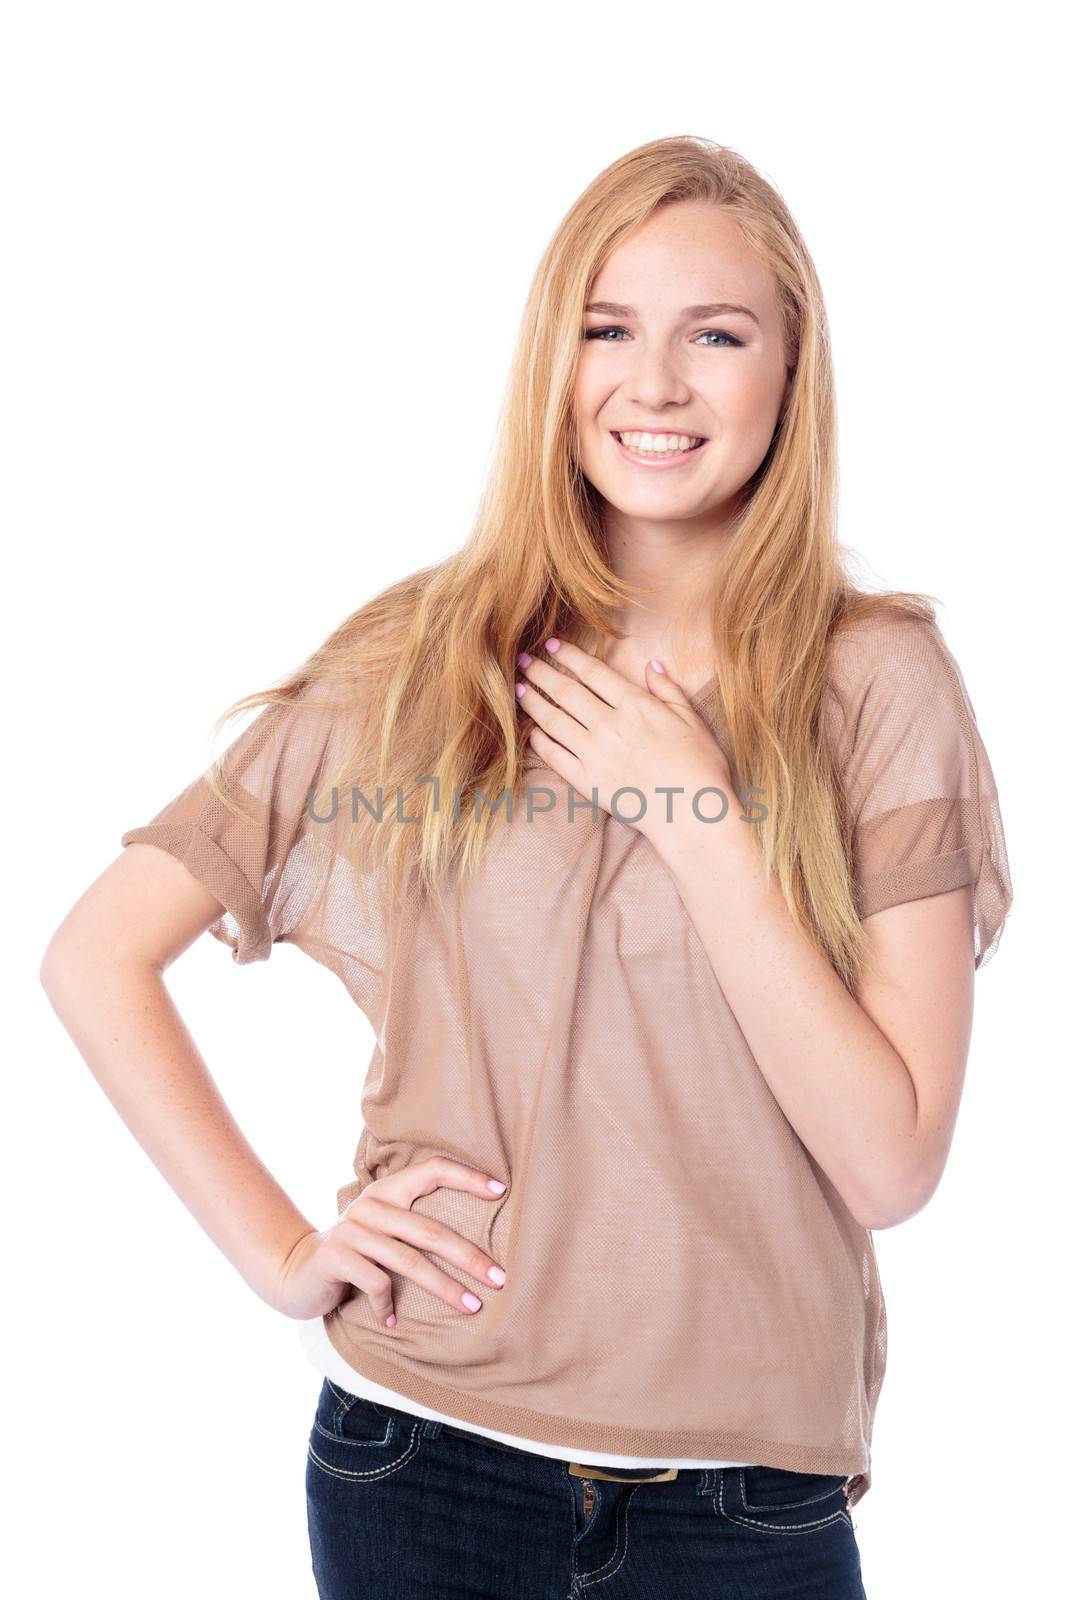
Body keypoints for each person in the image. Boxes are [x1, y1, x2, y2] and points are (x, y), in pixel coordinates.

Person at [40, 135, 1013, 1600]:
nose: (657, 383)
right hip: (420, 1462)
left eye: (717, 335)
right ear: (555, 364)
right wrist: (286, 1251)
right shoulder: (425, 660)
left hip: (746, 1500)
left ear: (791, 375)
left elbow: (891, 1162)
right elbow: (94, 954)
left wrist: (694, 813)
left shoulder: (877, 681)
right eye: (608, 329)